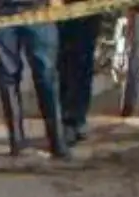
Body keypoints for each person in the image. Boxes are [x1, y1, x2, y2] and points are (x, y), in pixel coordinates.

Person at [0, 0, 68, 159]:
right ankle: (17, 142)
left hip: (38, 10)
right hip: (2, 11)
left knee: (45, 75)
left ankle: (57, 142)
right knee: (9, 74)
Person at [57, 0, 100, 147]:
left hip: (89, 8)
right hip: (61, 8)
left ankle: (76, 117)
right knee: (64, 59)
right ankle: (65, 118)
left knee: (83, 58)